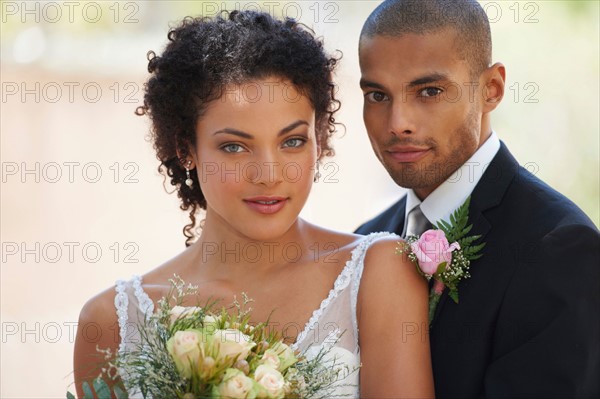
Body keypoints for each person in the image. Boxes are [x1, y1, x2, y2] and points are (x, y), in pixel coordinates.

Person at [73, 10, 434, 398]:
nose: (268, 174)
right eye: (234, 147)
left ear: (319, 138)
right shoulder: (113, 322)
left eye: (292, 141)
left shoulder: (380, 274)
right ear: (185, 149)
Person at [355, 0, 600, 398]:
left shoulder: (559, 248)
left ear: (492, 89)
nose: (398, 123)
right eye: (378, 96)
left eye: (429, 91)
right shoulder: (364, 244)